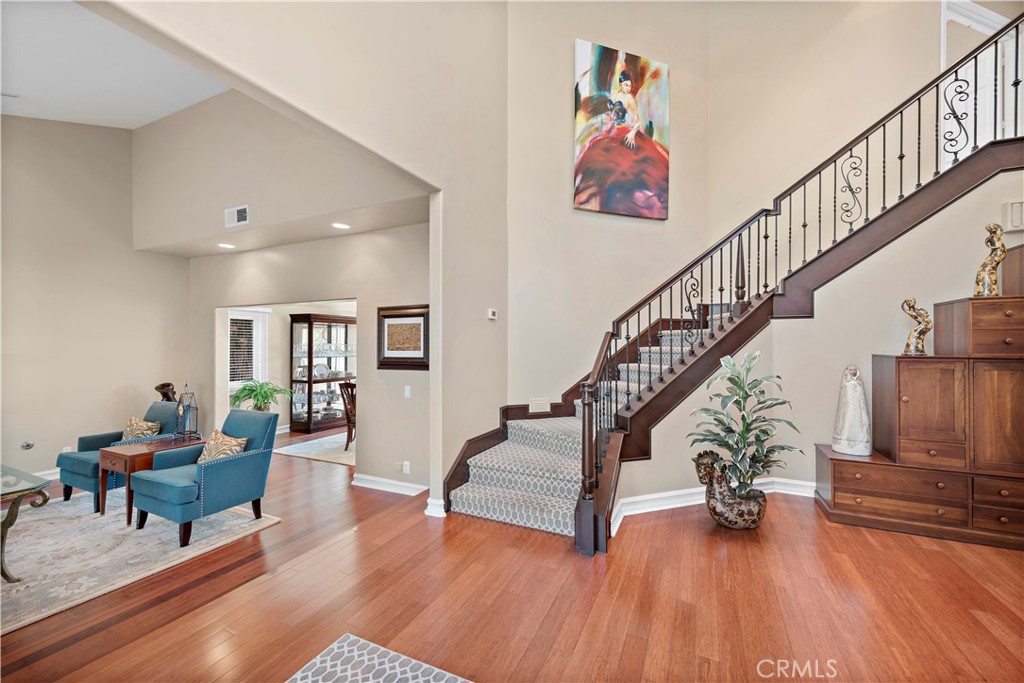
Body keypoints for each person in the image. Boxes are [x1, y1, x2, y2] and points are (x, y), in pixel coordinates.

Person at [607, 70, 642, 149]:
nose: (628, 88)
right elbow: (611, 115)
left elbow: (638, 122)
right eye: (626, 85)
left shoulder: (629, 98)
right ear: (620, 84)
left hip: (622, 130)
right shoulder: (613, 93)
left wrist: (632, 133)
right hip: (611, 130)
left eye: (630, 86)